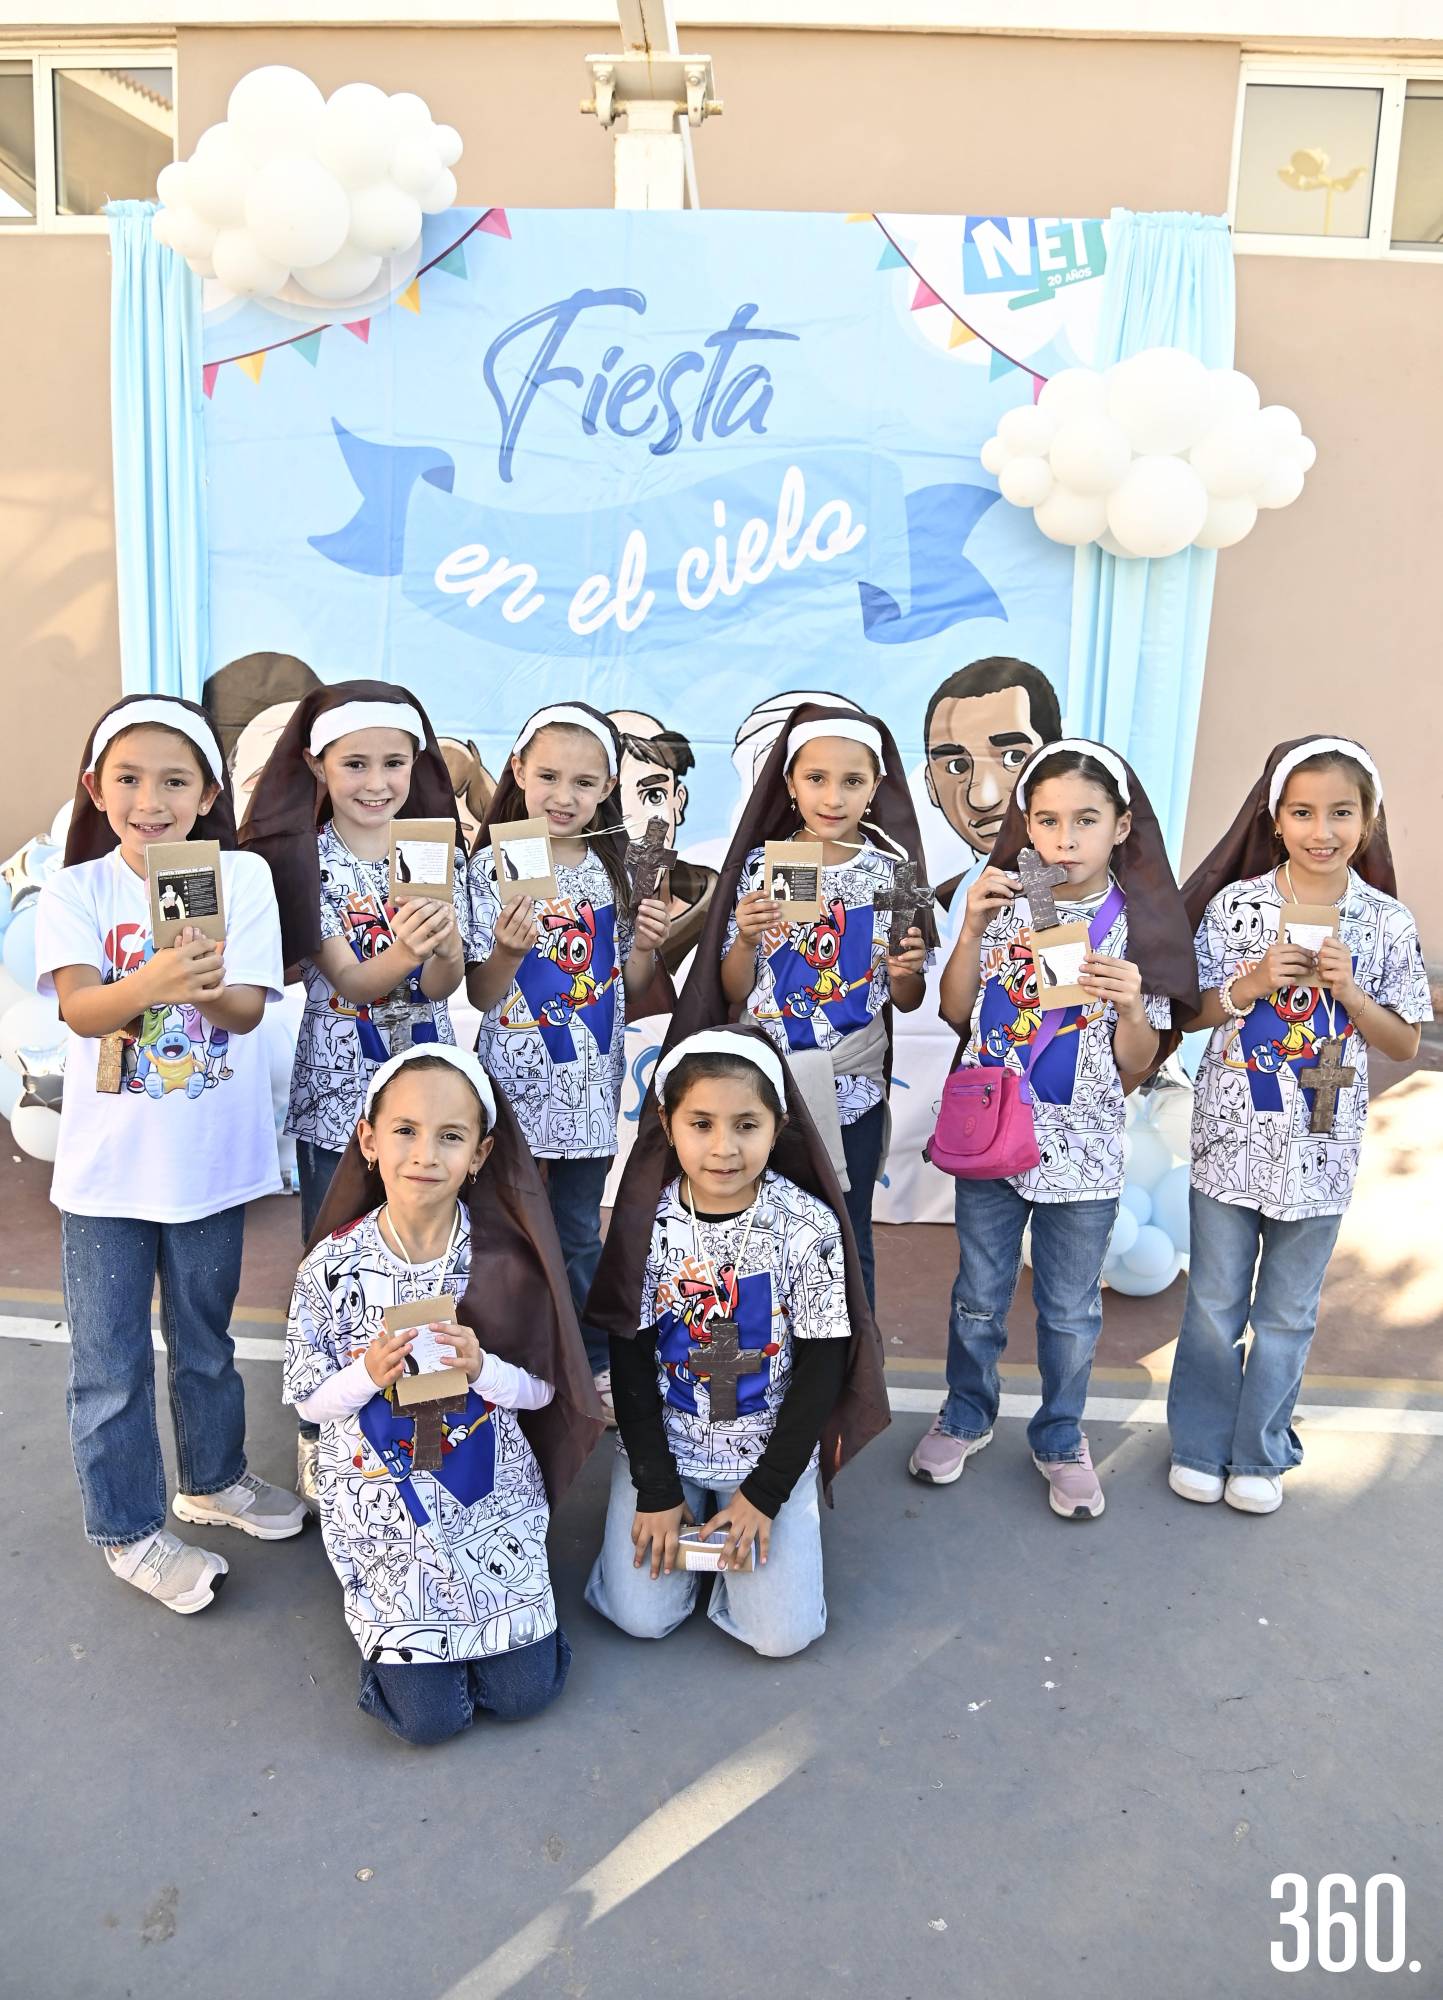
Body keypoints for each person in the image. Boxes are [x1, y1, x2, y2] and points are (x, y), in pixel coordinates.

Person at [34, 694, 305, 1613]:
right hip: (107, 1177)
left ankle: (213, 1480)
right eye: (129, 780)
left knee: (205, 1342)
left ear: (209, 794)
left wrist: (201, 975)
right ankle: (126, 1528)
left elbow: (245, 1012)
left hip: (210, 1167)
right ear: (95, 788)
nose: (151, 802)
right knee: (108, 1363)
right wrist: (151, 980)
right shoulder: (77, 890)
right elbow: (82, 1010)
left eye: (175, 782)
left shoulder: (243, 878)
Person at [910, 739, 1200, 1517]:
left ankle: (1060, 1435)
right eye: (1045, 821)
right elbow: (955, 1010)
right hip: (992, 1141)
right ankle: (965, 1414)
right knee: (978, 1295)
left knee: (1070, 1312)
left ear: (1120, 826)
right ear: (1026, 826)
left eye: (1084, 820)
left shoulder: (1139, 928)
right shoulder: (1002, 903)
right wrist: (970, 928)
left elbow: (1134, 1065)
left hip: (1085, 1149)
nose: (1063, 840)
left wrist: (1131, 1004)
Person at [283, 1044, 603, 1744]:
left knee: (524, 1695)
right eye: (405, 1130)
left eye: (451, 1136)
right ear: (369, 1140)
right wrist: (367, 1374)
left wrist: (482, 1367)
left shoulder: (506, 1261)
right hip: (385, 1511)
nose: (425, 1154)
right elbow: (310, 1402)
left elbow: (543, 1392)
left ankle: (488, 1644)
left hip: (486, 1503)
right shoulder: (331, 1267)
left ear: (480, 1154)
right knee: (428, 1721)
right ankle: (412, 1648)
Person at [1167, 737, 1429, 1515]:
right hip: (1230, 1139)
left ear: (1367, 820)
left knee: (1285, 1313)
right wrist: (1248, 983)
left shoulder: (1384, 922)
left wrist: (1352, 996)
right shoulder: (1235, 907)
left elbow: (1404, 1042)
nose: (1321, 830)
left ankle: (1259, 1451)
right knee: (1213, 1304)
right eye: (1302, 812)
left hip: (1321, 1148)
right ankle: (1198, 1444)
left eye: (1340, 813)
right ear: (1274, 819)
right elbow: (1190, 1014)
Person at [241, 680, 476, 1507]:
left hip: (430, 1089)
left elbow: (445, 986)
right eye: (355, 764)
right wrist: (412, 949)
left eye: (393, 763)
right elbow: (351, 980)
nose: (377, 782)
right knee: (333, 1254)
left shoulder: (434, 851)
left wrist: (442, 949)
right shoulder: (303, 861)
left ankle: (423, 1410)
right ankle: (321, 1427)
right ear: (317, 766)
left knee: (427, 1247)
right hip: (340, 1090)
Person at [584, 1025, 889, 1655]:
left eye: (746, 1125)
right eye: (701, 1124)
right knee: (639, 1618)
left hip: (764, 1455)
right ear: (667, 1125)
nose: (724, 1148)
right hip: (667, 1448)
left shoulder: (807, 1227)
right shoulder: (646, 1224)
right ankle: (684, 1527)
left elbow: (822, 1365)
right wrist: (656, 1487)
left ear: (779, 1127)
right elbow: (630, 1359)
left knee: (782, 1636)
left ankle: (744, 1550)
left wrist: (765, 1494)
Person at [681, 703, 933, 1311]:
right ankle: (765, 1346)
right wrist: (746, 939)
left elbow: (908, 998)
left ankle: (853, 1359)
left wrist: (905, 974)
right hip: (765, 1091)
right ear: (790, 783)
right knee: (761, 1227)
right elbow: (735, 990)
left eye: (852, 780)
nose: (833, 797)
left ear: (876, 787)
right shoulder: (760, 868)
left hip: (853, 1091)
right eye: (816, 778)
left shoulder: (896, 875)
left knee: (849, 1231)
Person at [467, 702, 671, 1419]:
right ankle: (501, 1355)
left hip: (587, 1089)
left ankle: (590, 1364)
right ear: (518, 770)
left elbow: (631, 986)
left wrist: (646, 946)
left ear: (608, 787)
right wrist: (507, 951)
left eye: (584, 783)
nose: (563, 796)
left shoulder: (615, 871)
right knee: (500, 1228)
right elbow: (480, 990)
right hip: (508, 1086)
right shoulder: (489, 867)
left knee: (578, 1231)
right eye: (548, 776)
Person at [922, 656, 1063, 906]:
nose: (981, 799)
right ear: (931, 785)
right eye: (957, 766)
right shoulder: (940, 907)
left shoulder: (1099, 892)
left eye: (1013, 757)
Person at [608, 708, 718, 971]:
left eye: (654, 795)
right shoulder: (576, 918)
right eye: (611, 801)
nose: (633, 824)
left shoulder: (719, 908)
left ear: (677, 803)